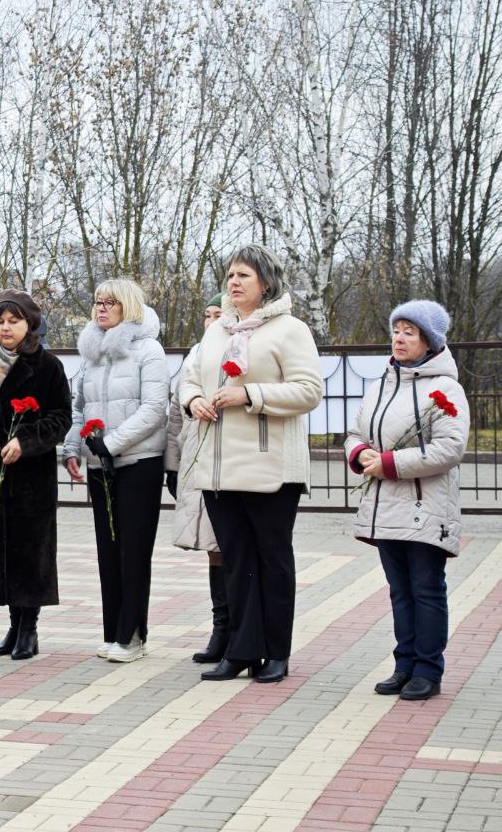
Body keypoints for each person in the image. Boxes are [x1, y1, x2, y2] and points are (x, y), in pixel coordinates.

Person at [179, 245, 323, 683]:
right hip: (219, 468)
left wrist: (251, 395)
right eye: (230, 274)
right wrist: (194, 400)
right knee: (236, 561)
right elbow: (188, 377)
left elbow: (308, 391)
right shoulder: (216, 331)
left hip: (271, 467)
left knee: (272, 561)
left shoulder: (289, 330)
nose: (234, 282)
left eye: (243, 275)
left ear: (266, 282)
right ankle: (241, 651)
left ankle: (276, 652)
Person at [345, 300, 468, 701]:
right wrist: (360, 453)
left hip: (424, 506)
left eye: (409, 332)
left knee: (426, 588)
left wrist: (389, 463)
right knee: (399, 590)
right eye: (396, 330)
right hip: (385, 505)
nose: (398, 338)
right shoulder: (382, 382)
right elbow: (355, 431)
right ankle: (404, 664)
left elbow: (448, 449)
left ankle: (428, 670)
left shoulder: (445, 388)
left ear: (429, 342)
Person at [0, 289, 71, 660]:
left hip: (31, 474)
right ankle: (12, 623)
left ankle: (29, 628)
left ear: (30, 324)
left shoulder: (48, 366)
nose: (6, 328)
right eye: (0, 321)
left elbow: (61, 418)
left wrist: (26, 439)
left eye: (14, 321)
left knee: (29, 549)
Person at [62, 279, 169, 664]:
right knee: (108, 551)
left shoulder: (148, 351)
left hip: (138, 463)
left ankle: (133, 635)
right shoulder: (91, 354)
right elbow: (80, 407)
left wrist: (113, 442)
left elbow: (155, 407)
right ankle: (113, 633)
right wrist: (73, 446)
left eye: (111, 302)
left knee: (133, 551)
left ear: (129, 306)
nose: (101, 308)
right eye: (97, 302)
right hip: (98, 464)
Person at [165, 292, 227, 663]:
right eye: (207, 314)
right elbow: (175, 417)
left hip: (229, 466)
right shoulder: (195, 356)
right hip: (195, 463)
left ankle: (239, 630)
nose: (211, 320)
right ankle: (221, 628)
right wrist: (173, 468)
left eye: (219, 313)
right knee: (212, 550)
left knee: (231, 548)